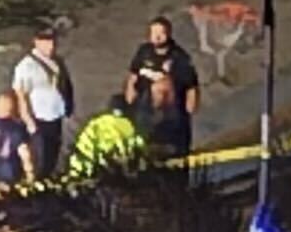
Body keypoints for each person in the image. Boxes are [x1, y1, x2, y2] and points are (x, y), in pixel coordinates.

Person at [124, 16, 200, 159]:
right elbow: (133, 74)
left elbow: (191, 85)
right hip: (145, 111)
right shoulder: (143, 52)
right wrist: (130, 92)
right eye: (154, 33)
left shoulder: (179, 57)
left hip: (172, 113)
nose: (157, 37)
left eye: (161, 33)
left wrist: (190, 107)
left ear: (168, 34)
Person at [11, 28, 74, 179]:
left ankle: (50, 179)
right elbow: (21, 95)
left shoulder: (57, 61)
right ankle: (37, 183)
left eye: (52, 42)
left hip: (55, 115)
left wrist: (68, 106)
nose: (51, 46)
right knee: (40, 157)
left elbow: (64, 84)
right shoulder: (26, 66)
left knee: (54, 151)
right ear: (37, 42)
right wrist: (28, 121)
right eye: (46, 42)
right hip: (38, 118)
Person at [68, 94, 149, 177]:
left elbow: (83, 150)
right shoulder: (131, 126)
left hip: (97, 173)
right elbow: (140, 147)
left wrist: (76, 175)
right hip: (124, 175)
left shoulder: (96, 124)